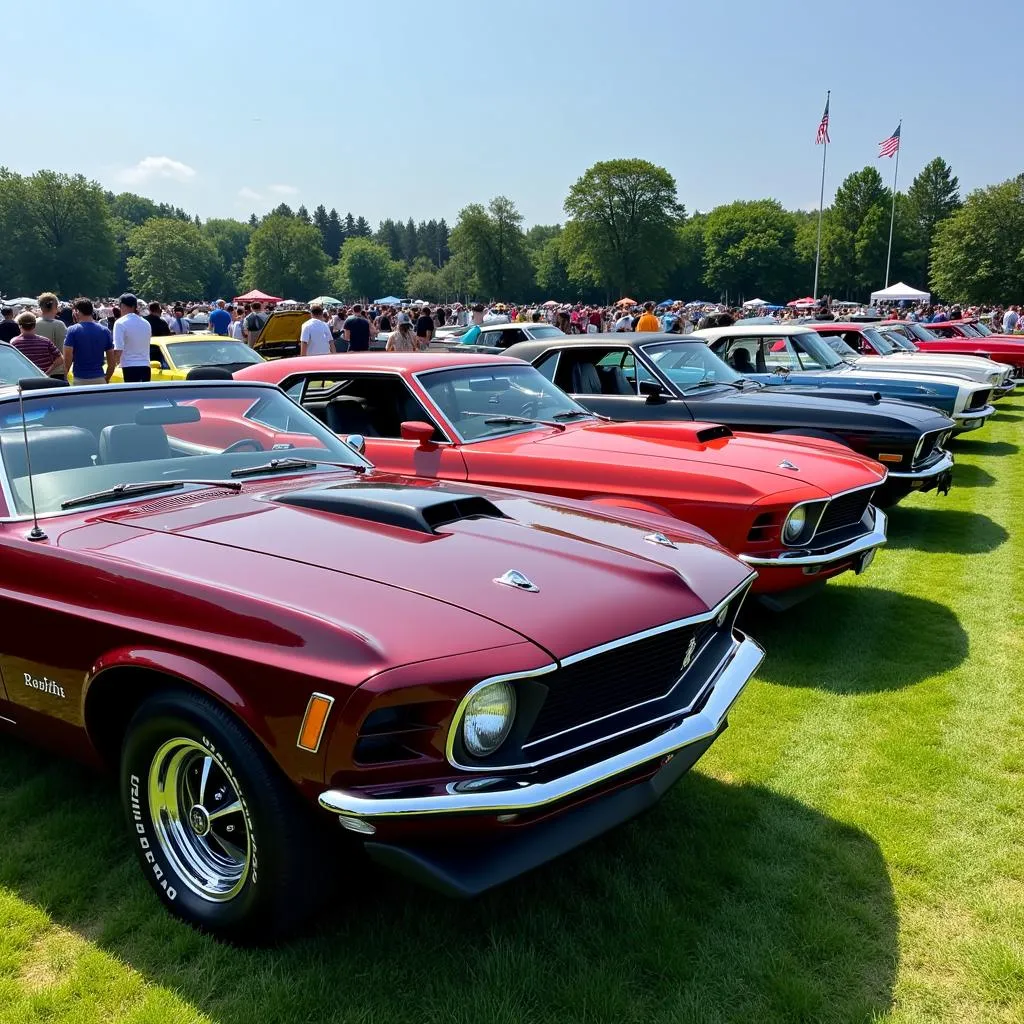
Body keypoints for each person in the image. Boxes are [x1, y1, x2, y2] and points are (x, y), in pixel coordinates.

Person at [63, 298, 114, 385]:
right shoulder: (105, 331)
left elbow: (67, 358)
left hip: (80, 378)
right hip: (100, 378)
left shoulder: (72, 330)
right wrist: (107, 378)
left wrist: (64, 377)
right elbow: (112, 362)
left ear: (77, 312)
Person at [111, 293, 153, 382]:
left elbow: (118, 349)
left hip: (129, 366)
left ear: (122, 305)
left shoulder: (120, 323)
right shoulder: (146, 323)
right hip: (146, 366)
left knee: (130, 395)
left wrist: (112, 366)